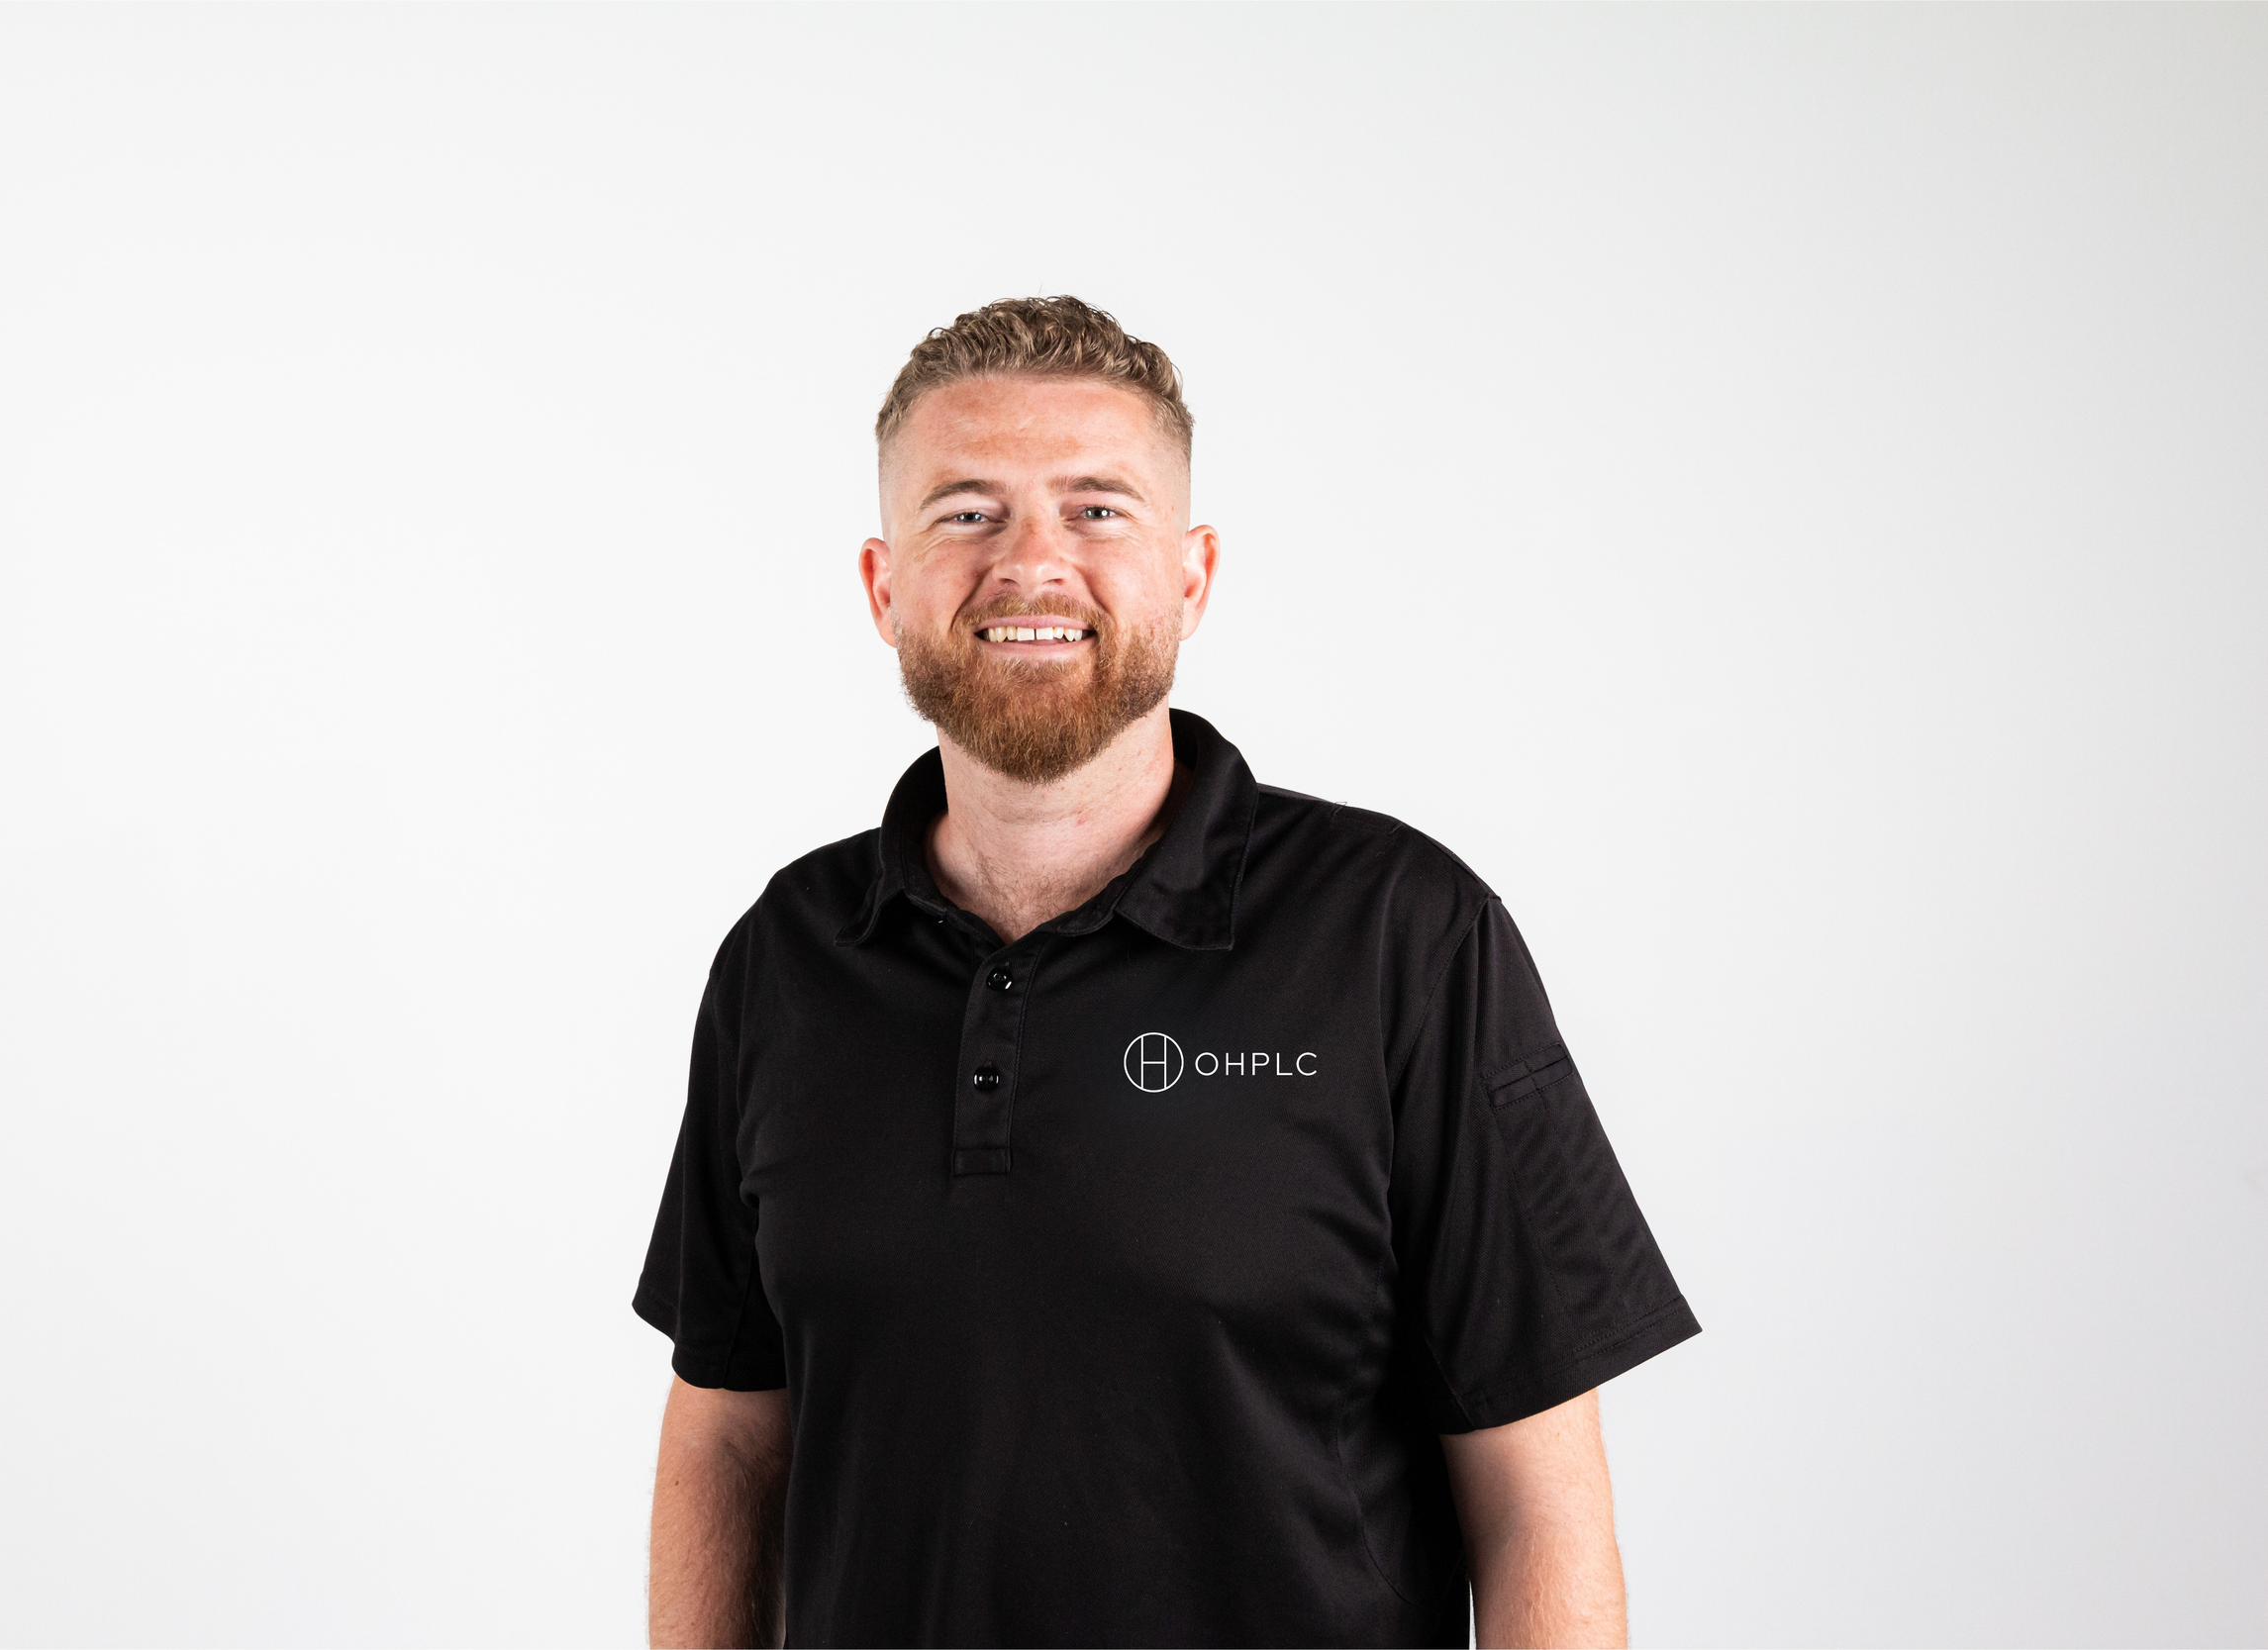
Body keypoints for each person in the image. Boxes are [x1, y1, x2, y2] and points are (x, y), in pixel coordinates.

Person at [634, 296, 1699, 1648]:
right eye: (966, 511)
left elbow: (1537, 1505)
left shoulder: (1403, 937)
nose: (1033, 563)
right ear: (881, 582)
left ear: (1191, 575)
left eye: (1097, 510)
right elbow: (729, 1438)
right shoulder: (787, 957)